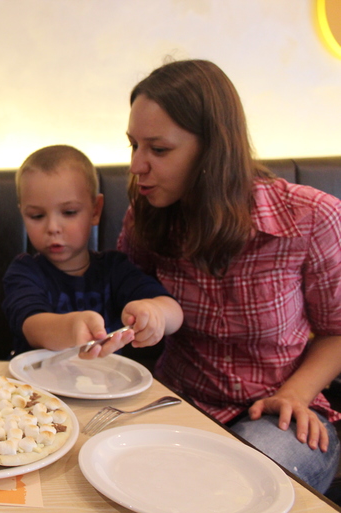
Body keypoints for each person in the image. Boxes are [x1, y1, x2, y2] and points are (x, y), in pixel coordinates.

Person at [117, 58, 341, 492]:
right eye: (133, 145)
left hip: (280, 413)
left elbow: (337, 331)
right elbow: (125, 298)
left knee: (231, 486)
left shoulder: (312, 217)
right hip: (177, 403)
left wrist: (295, 394)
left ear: (213, 148)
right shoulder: (146, 216)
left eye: (158, 150)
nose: (137, 165)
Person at [2, 144, 183, 358]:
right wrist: (71, 327)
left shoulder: (114, 269)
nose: (52, 227)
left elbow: (174, 312)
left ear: (95, 210)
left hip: (105, 379)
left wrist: (154, 313)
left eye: (69, 212)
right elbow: (32, 325)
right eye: (36, 216)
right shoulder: (24, 272)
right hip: (32, 379)